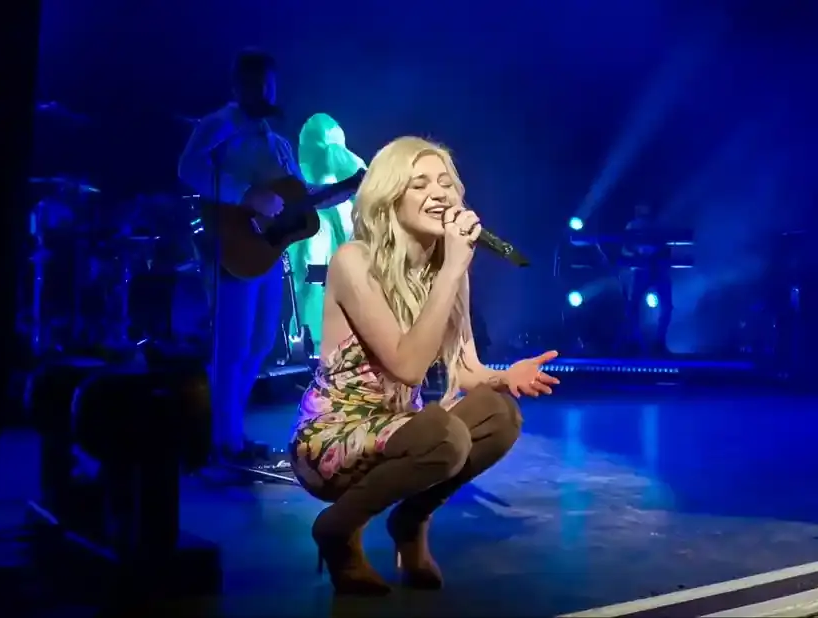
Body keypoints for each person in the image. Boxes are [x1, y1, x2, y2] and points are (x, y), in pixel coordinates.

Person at [289, 137, 560, 595]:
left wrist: (503, 376)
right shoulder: (355, 261)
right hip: (334, 437)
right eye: (420, 184)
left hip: (398, 426)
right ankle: (337, 529)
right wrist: (454, 268)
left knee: (500, 415)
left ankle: (409, 524)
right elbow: (409, 368)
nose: (439, 193)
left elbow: (465, 368)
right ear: (389, 197)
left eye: (445, 183)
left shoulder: (445, 268)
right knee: (442, 434)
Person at [177, 48, 303, 462]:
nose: (266, 91)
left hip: (266, 249)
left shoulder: (278, 141)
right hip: (233, 247)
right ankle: (221, 439)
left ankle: (228, 430)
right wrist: (245, 194)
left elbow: (296, 195)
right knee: (232, 344)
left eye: (270, 84)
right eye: (257, 83)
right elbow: (189, 168)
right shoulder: (218, 125)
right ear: (239, 85)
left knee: (263, 340)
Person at [287, 113, 367, 350]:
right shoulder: (302, 175)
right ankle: (308, 341)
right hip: (313, 231)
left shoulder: (346, 167)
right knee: (311, 276)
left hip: (339, 247)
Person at [621, 203, 672, 353]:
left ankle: (658, 341)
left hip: (656, 269)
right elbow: (625, 247)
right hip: (642, 269)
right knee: (633, 306)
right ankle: (635, 340)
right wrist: (638, 253)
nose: (644, 209)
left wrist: (650, 252)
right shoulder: (633, 225)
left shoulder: (659, 224)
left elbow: (666, 245)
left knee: (666, 306)